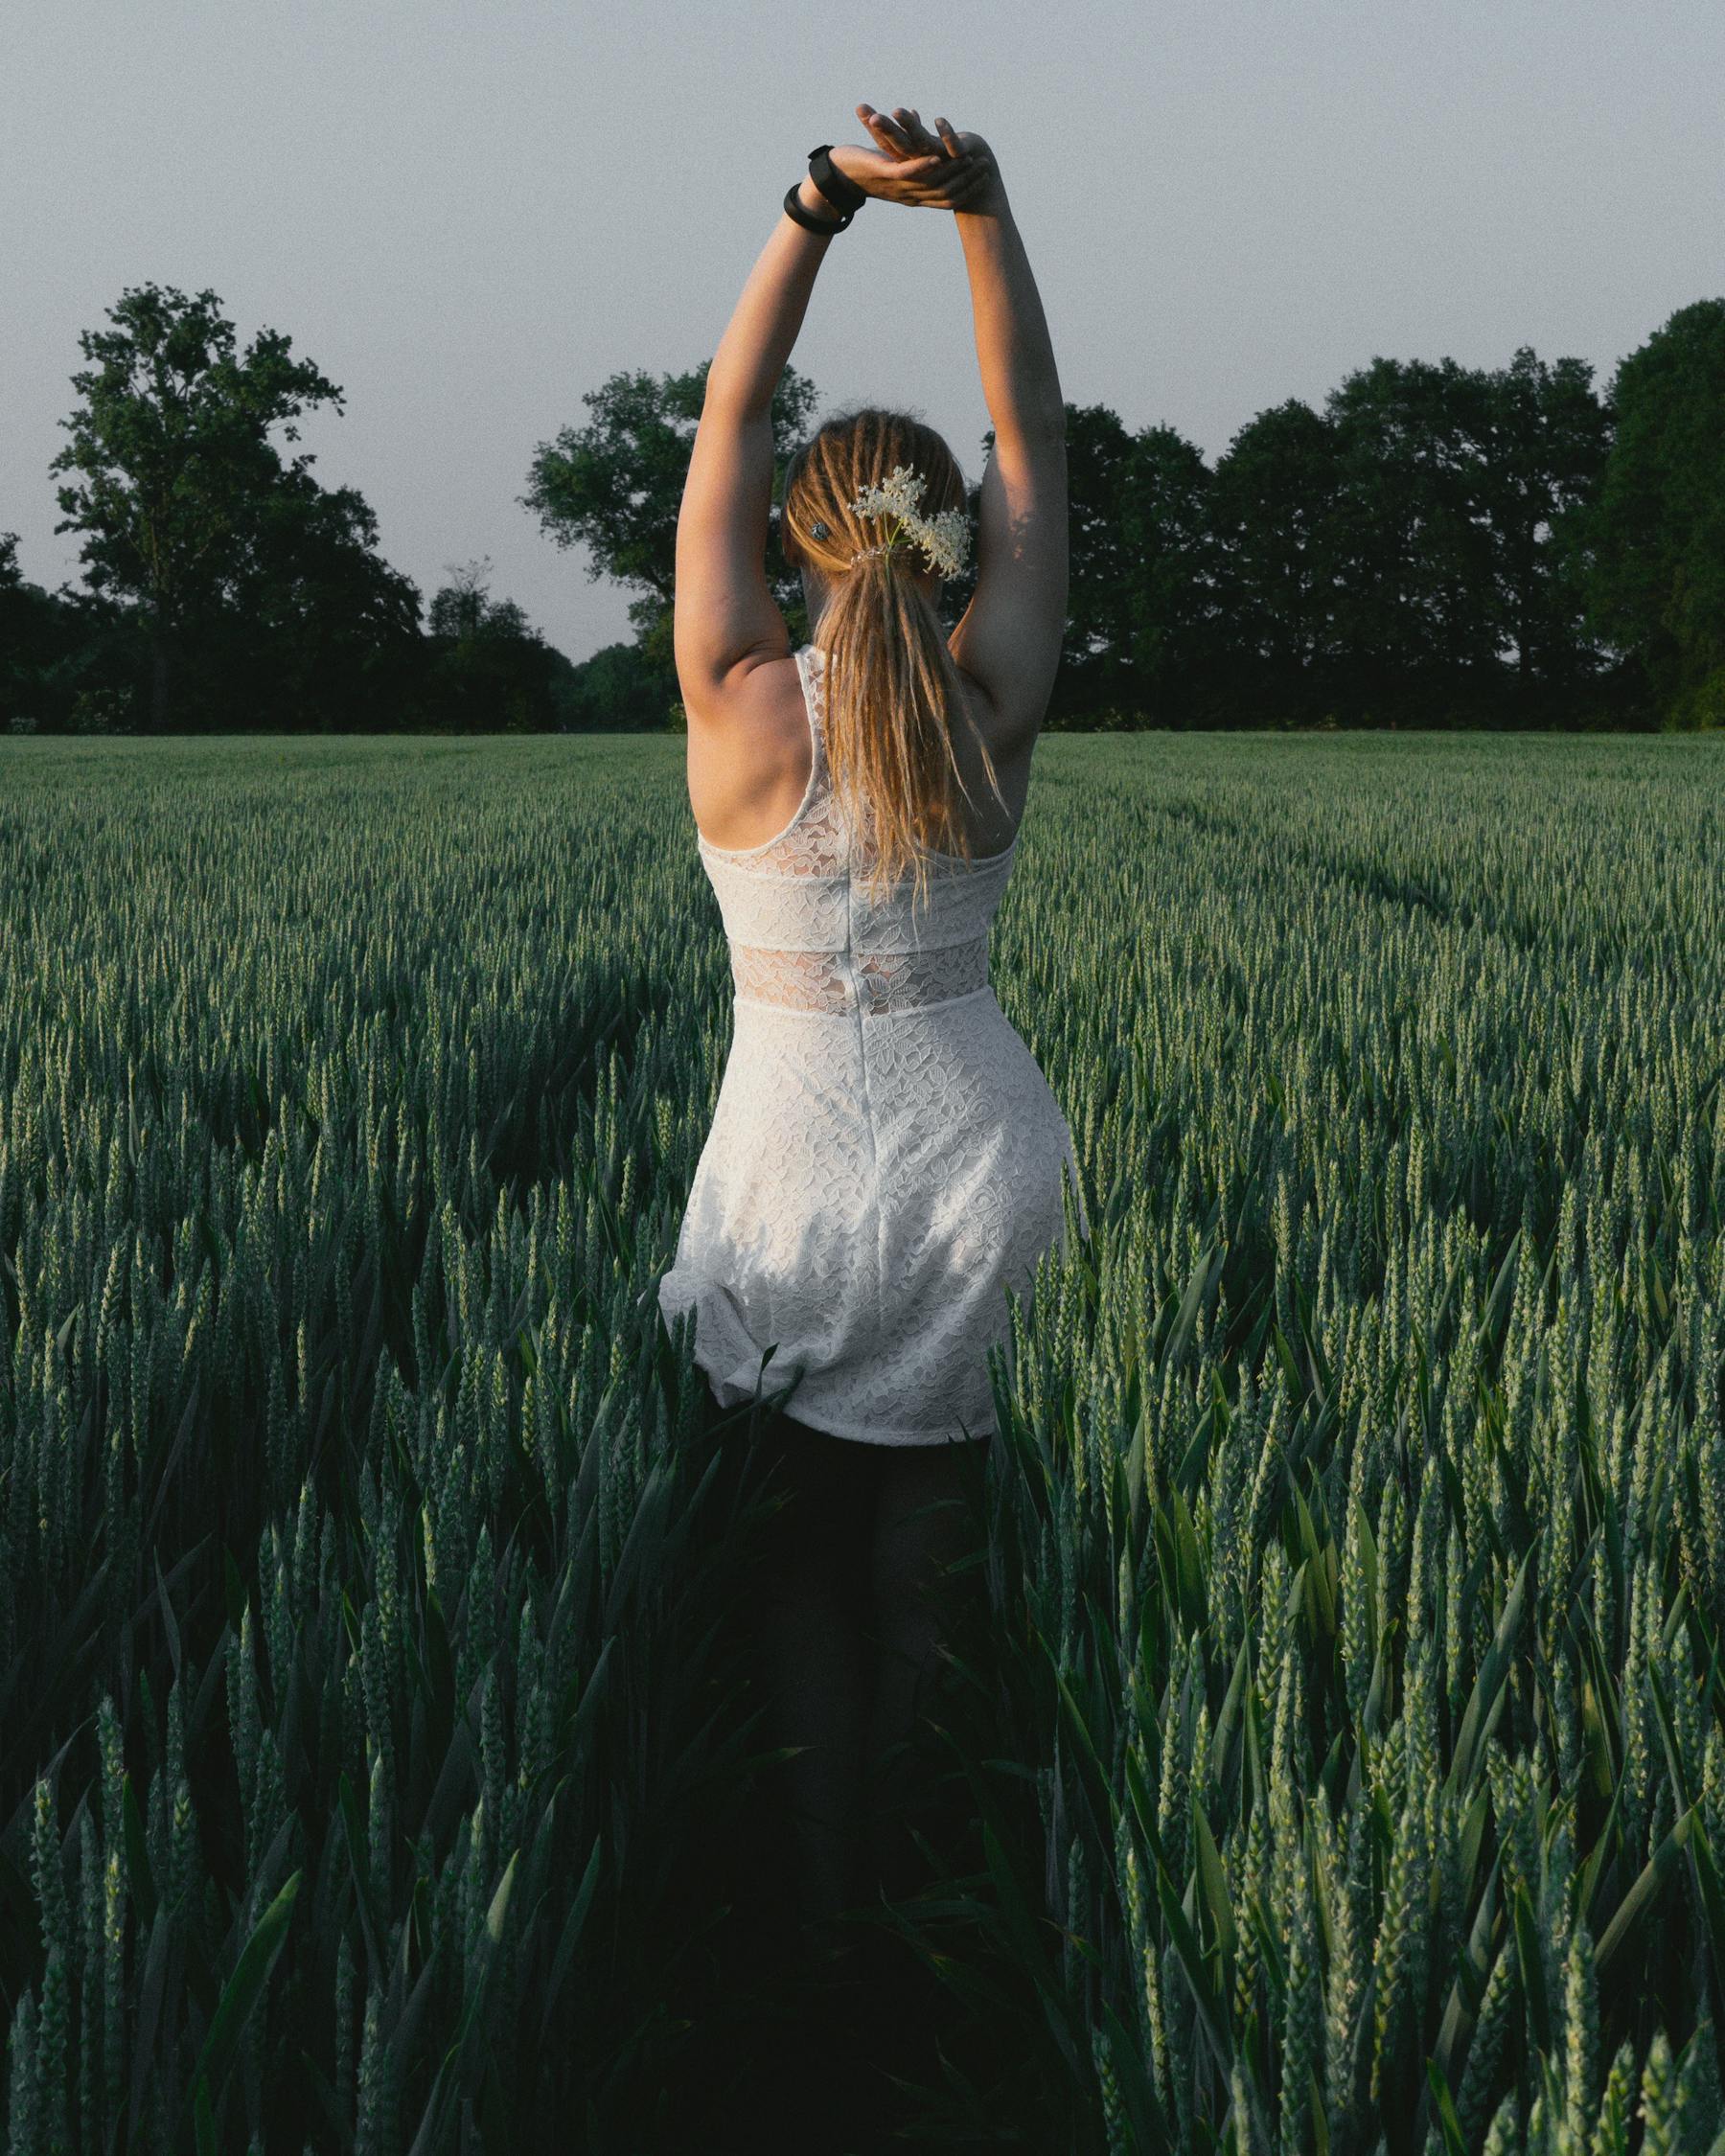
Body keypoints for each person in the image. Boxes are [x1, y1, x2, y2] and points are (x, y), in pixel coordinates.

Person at [656, 103, 1086, 1995]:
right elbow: (1040, 447)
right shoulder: (994, 697)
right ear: (948, 534)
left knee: (795, 1563)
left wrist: (819, 207)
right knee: (930, 1558)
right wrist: (985, 214)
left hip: (788, 1186)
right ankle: (929, 1896)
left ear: (800, 533)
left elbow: (726, 422)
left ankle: (816, 1903)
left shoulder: (741, 699)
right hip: (982, 1172)